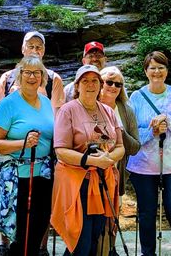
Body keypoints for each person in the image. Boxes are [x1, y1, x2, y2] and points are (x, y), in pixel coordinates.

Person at [0, 31, 63, 255]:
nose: (32, 77)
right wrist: (21, 144)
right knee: (20, 233)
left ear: (43, 77)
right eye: (27, 72)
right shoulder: (8, 104)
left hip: (42, 174)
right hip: (16, 176)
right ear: (19, 75)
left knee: (39, 227)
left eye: (36, 73)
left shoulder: (45, 102)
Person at [52, 64, 125, 255]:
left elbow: (120, 147)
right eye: (85, 81)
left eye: (95, 81)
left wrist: (107, 158)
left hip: (102, 181)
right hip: (76, 184)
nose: (90, 85)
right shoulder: (67, 111)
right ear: (77, 86)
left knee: (95, 236)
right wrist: (93, 161)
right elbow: (61, 150)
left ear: (100, 85)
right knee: (79, 240)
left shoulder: (108, 111)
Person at [128, 51, 171, 256]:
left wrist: (168, 120)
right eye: (152, 68)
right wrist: (152, 132)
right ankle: (148, 253)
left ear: (167, 70)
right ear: (146, 71)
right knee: (146, 213)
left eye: (161, 67)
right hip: (142, 166)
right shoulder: (136, 97)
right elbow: (130, 135)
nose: (156, 72)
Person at [96, 66, 140, 252]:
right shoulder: (87, 104)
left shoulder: (125, 111)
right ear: (99, 83)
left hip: (116, 174)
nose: (113, 87)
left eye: (118, 84)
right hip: (89, 173)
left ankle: (111, 249)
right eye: (109, 82)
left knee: (112, 215)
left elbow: (135, 147)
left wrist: (118, 130)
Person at [0, 31, 65, 113]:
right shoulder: (7, 78)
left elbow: (57, 115)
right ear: (22, 49)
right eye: (31, 46)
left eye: (39, 47)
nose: (35, 51)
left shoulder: (54, 79)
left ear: (43, 51)